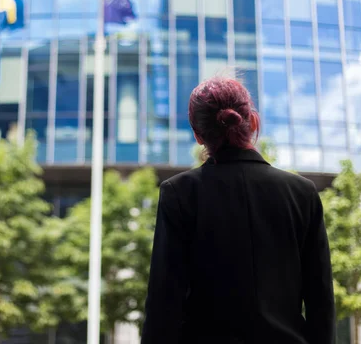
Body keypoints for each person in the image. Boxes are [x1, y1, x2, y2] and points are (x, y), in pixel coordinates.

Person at [141, 77, 335, 344]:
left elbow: (164, 303)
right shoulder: (302, 193)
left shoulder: (179, 193)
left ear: (198, 135)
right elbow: (320, 302)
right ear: (253, 122)